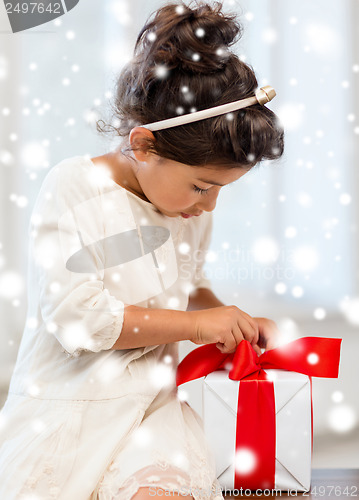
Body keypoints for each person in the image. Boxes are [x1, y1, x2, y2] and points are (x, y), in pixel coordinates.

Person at [0, 1, 284, 499]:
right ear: (145, 145)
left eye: (222, 190)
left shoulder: (183, 211)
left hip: (153, 410)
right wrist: (196, 327)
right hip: (70, 411)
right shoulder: (74, 187)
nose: (210, 205)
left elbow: (185, 288)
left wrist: (227, 318)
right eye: (201, 187)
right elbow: (78, 319)